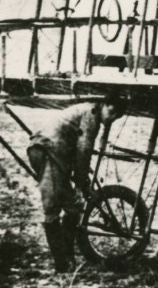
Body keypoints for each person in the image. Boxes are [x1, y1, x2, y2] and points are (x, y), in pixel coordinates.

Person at [26, 99, 116, 272]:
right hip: (48, 151)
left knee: (74, 206)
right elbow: (84, 149)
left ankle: (68, 257)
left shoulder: (88, 110)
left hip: (51, 151)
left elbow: (78, 148)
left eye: (116, 117)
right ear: (104, 104)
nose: (112, 118)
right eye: (111, 112)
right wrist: (83, 181)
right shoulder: (91, 114)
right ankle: (62, 264)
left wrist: (81, 177)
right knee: (52, 207)